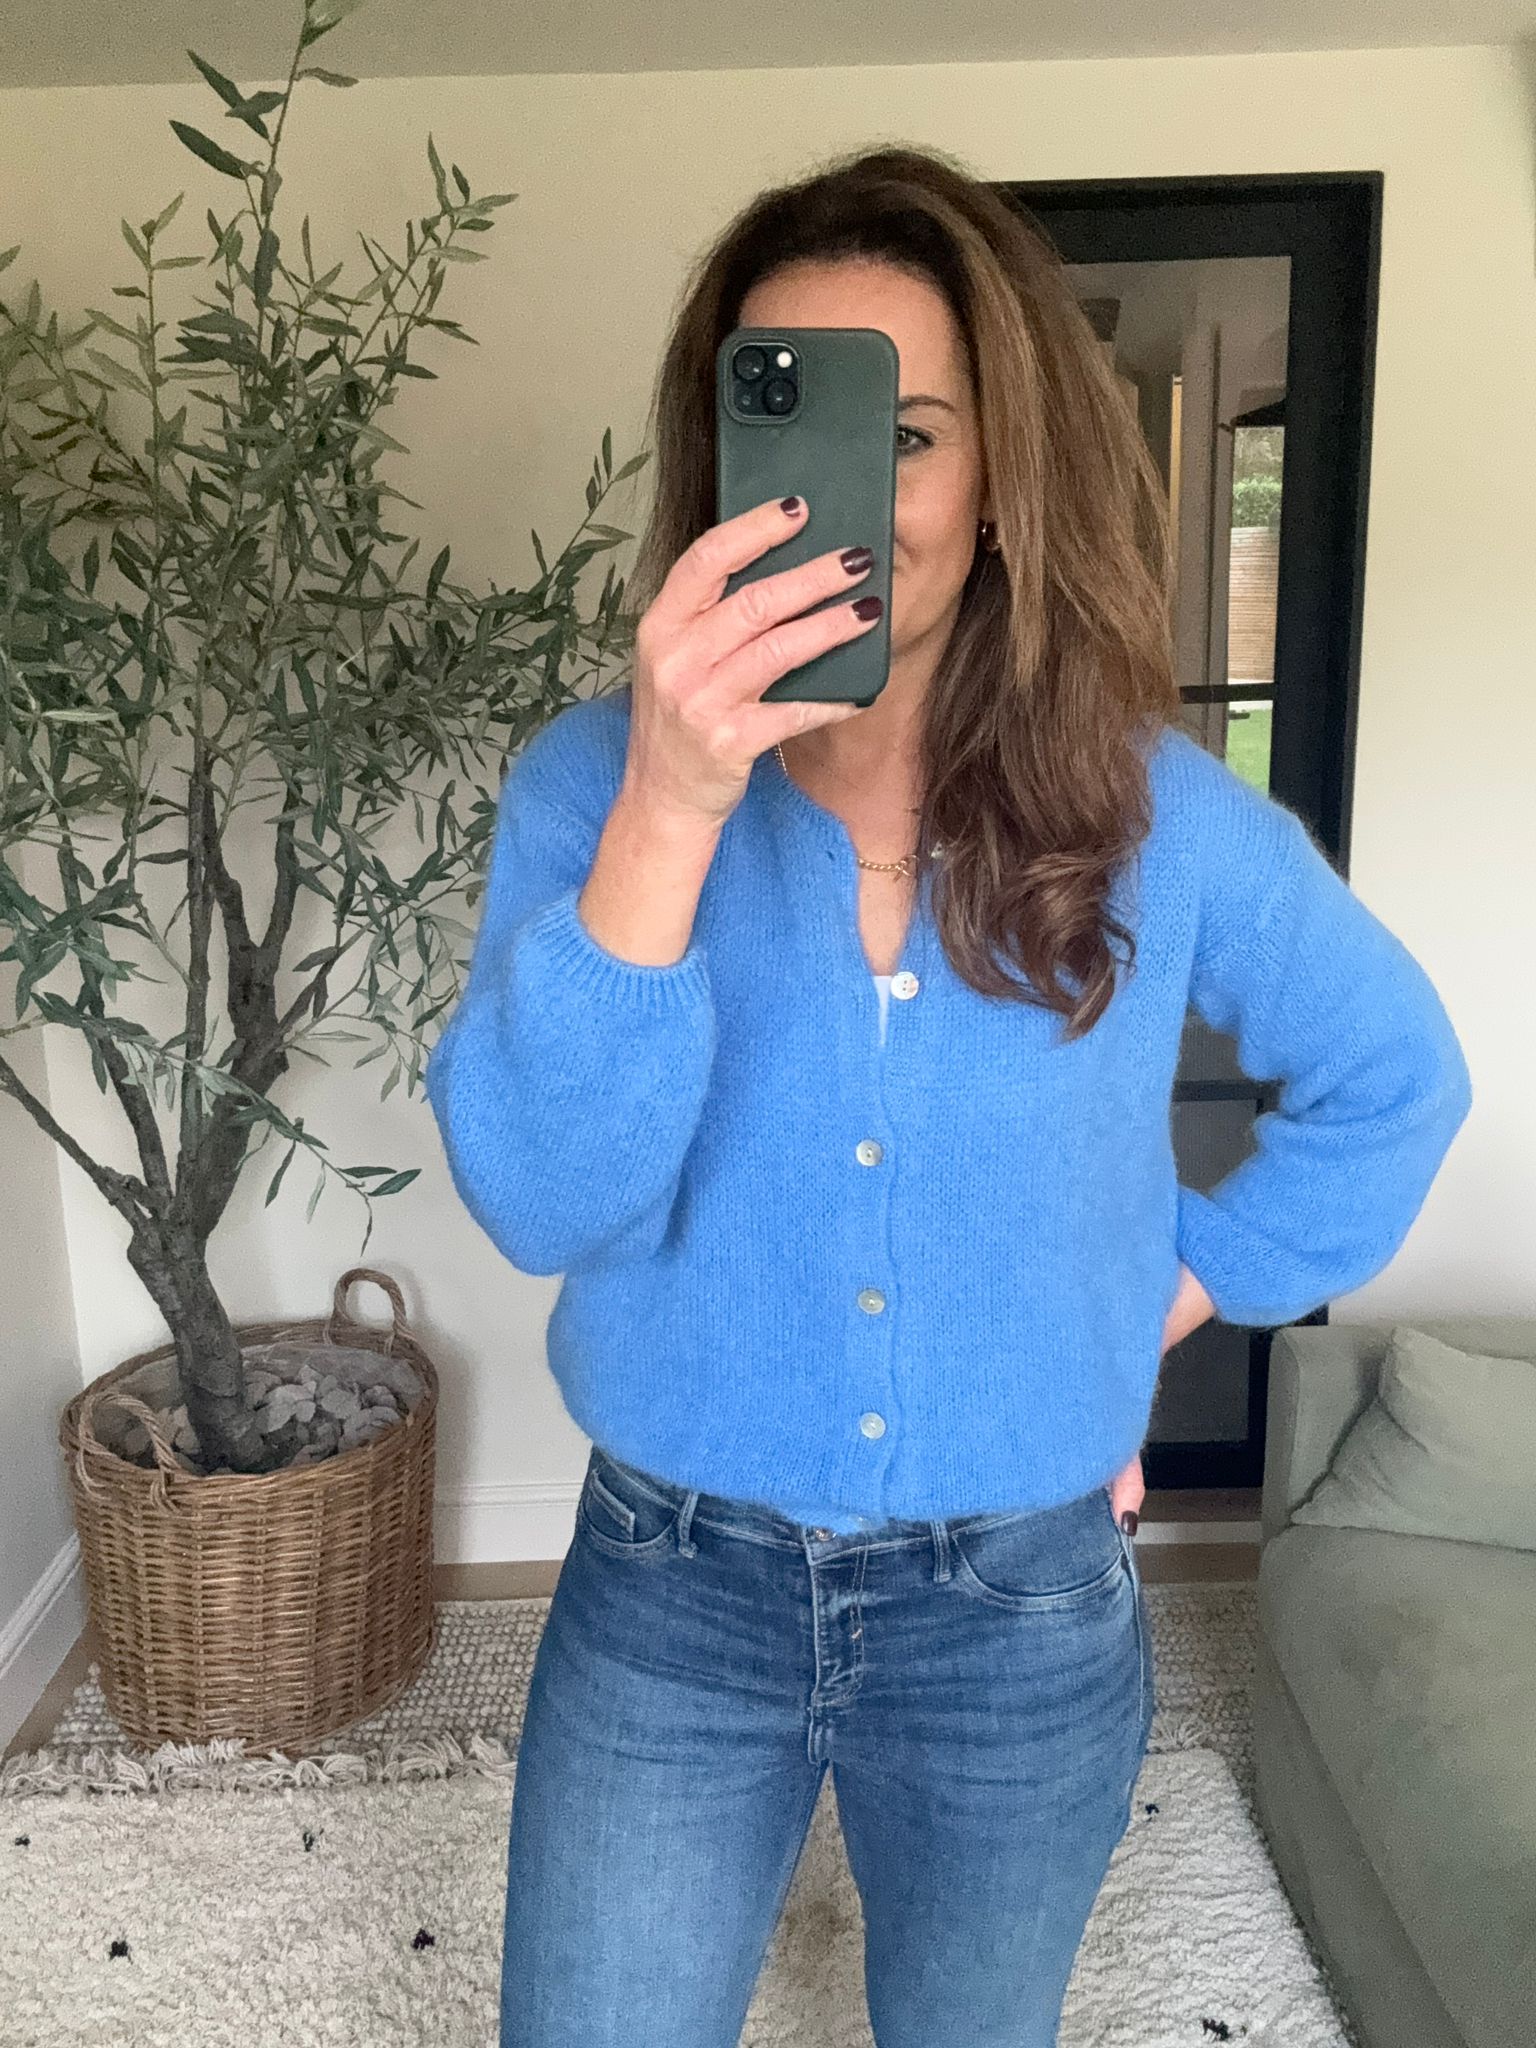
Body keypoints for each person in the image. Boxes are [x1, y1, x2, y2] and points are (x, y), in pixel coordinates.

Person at [425, 142, 1472, 2048]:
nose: (837, 502)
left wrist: (1170, 1291)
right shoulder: (593, 787)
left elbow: (1394, 1073)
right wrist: (672, 807)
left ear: (999, 483)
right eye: (788, 435)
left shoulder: (1154, 814)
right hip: (670, 1591)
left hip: (1021, 1609)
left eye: (903, 437)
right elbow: (540, 1199)